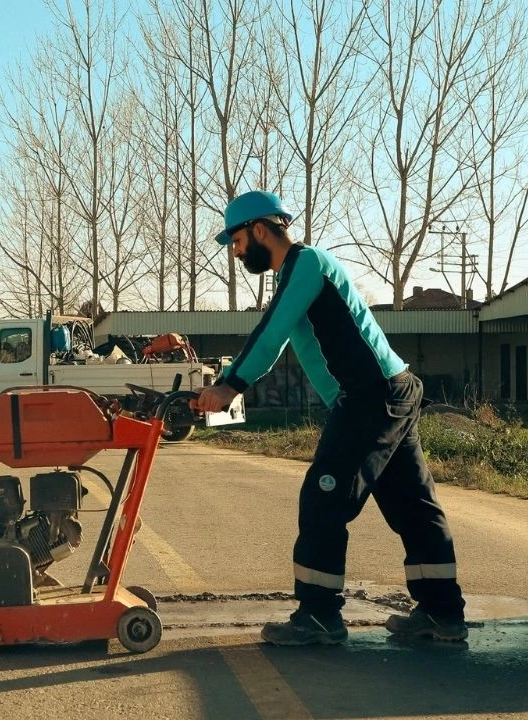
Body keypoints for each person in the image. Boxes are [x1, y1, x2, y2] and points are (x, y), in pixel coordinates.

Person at [194, 190, 468, 646]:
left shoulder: (306, 263)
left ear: (261, 230)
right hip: (387, 393)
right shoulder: (298, 274)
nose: (237, 251)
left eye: (237, 241)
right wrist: (228, 379)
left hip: (370, 398)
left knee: (323, 499)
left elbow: (271, 333)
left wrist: (230, 386)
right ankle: (443, 614)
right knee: (412, 507)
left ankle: (319, 617)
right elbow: (278, 340)